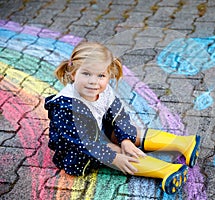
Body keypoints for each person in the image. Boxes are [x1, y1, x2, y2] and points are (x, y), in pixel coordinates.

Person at [44, 41, 201, 195]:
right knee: (118, 154)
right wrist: (115, 157)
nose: (93, 81)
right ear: (73, 74)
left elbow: (119, 115)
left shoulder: (103, 90)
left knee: (128, 133)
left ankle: (184, 143)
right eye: (86, 74)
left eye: (101, 75)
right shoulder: (66, 106)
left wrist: (125, 139)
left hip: (98, 130)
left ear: (108, 75)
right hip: (79, 149)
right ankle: (167, 170)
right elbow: (85, 144)